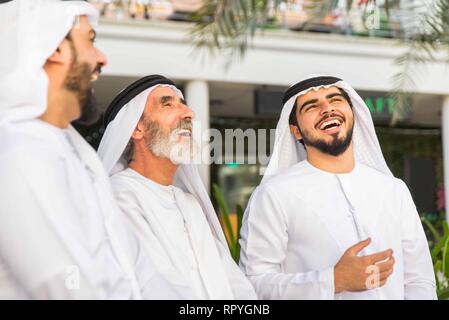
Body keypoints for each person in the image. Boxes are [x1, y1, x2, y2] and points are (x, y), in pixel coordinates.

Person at [0, 0, 178, 299]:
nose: (102, 59)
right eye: (91, 41)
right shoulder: (18, 152)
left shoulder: (73, 149)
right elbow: (64, 284)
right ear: (55, 48)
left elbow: (137, 266)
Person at [239, 75, 436, 299]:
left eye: (335, 100)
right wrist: (333, 280)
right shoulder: (274, 195)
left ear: (354, 113)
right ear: (295, 130)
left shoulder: (394, 190)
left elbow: (419, 279)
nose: (327, 109)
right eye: (311, 106)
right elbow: (253, 284)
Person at [98, 75, 257, 299]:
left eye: (184, 104)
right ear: (137, 129)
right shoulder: (120, 196)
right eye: (168, 104)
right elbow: (154, 287)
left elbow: (234, 283)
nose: (189, 113)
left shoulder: (189, 203)